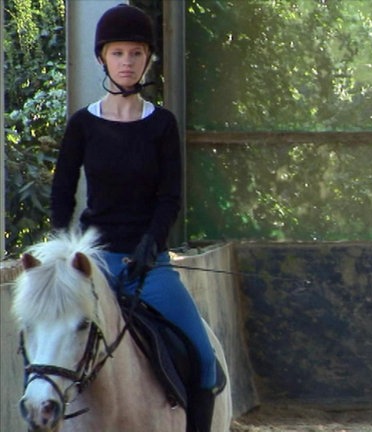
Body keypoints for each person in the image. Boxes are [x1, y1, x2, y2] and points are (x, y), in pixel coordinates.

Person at [50, 5, 219, 432]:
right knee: (50, 353)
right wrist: (63, 251)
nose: (127, 62)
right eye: (118, 53)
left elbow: (170, 196)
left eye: (136, 53)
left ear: (148, 59)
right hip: (94, 264)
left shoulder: (162, 125)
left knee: (204, 361)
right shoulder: (82, 125)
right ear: (102, 58)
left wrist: (151, 244)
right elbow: (62, 194)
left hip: (149, 265)